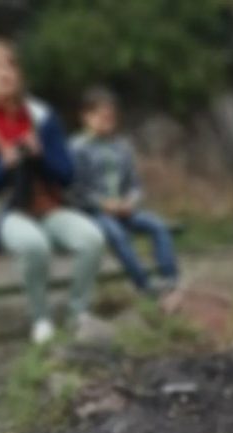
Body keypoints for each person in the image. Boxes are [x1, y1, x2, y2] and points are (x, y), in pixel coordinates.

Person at [0, 38, 106, 345]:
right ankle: (41, 320)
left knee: (92, 238)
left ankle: (78, 315)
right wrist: (3, 164)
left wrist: (40, 155)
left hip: (46, 204)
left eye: (9, 64)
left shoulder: (42, 116)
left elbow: (67, 174)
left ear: (19, 73)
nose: (4, 73)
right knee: (35, 245)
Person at [72, 87, 179, 295]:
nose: (107, 121)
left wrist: (131, 201)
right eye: (102, 117)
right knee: (116, 233)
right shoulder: (77, 148)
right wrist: (103, 204)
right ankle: (144, 285)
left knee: (157, 225)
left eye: (110, 117)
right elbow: (76, 191)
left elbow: (135, 184)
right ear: (87, 117)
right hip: (95, 212)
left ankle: (170, 279)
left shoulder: (122, 147)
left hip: (124, 209)